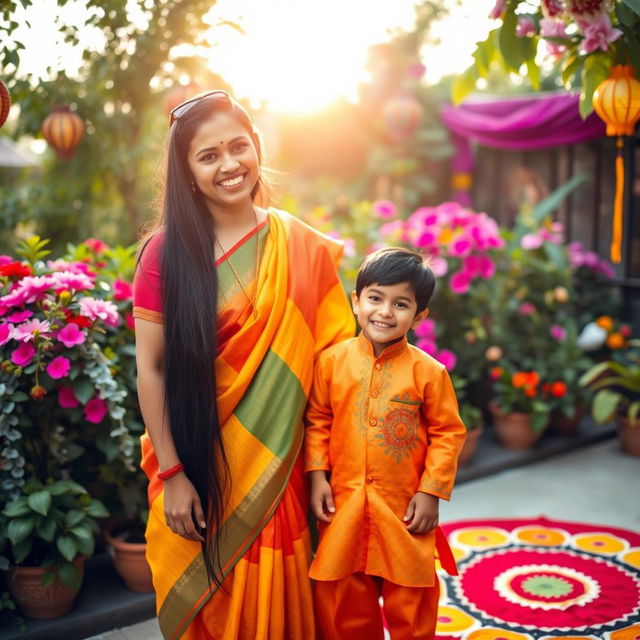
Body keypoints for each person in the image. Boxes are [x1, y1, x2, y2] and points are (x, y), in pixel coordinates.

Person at [132, 90, 354, 640]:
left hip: (286, 468)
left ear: (256, 147)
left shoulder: (299, 245)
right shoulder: (164, 256)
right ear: (186, 170)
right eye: (208, 156)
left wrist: (324, 467)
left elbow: (331, 369)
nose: (229, 165)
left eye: (238, 147)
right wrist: (174, 474)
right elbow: (152, 370)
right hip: (203, 468)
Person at [305, 247, 467, 640]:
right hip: (344, 505)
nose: (385, 312)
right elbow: (318, 419)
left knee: (410, 598)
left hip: (404, 509)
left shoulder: (429, 372)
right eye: (375, 298)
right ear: (356, 302)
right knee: (344, 597)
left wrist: (431, 492)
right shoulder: (330, 362)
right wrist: (316, 476)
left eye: (401, 304)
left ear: (420, 315)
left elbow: (449, 432)